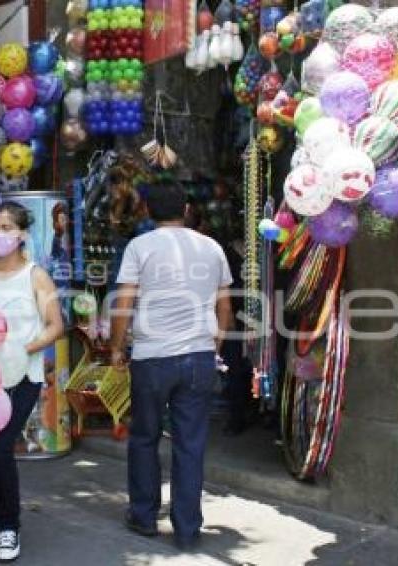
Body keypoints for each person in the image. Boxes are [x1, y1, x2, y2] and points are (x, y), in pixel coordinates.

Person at [109, 181, 234, 551]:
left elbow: (124, 303)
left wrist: (117, 347)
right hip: (198, 358)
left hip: (152, 358)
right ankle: (187, 529)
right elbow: (224, 304)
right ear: (187, 209)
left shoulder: (140, 246)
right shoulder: (211, 247)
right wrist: (217, 340)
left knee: (144, 438)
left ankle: (144, 517)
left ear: (146, 210)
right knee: (190, 444)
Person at [0, 202, 64, 562]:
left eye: (7, 227)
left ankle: (9, 528)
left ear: (22, 235)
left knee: (1, 448)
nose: (0, 233)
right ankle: (1, 520)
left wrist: (21, 349)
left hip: (22, 376)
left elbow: (55, 325)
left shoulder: (36, 276)